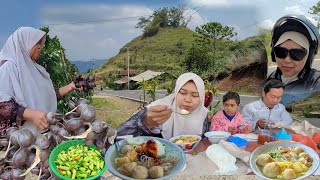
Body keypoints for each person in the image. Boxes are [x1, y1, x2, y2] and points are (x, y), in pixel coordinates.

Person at [0, 27, 78, 136]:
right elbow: (3, 105)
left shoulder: (35, 69)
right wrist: (31, 115)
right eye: (35, 43)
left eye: (40, 43)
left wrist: (70, 86)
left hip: (41, 134)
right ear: (23, 43)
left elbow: (47, 95)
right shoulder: (9, 68)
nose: (39, 46)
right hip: (19, 139)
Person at [117, 72, 208, 139]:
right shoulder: (160, 108)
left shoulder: (203, 114)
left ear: (202, 97)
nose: (188, 100)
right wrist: (145, 122)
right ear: (176, 92)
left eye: (195, 95)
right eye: (183, 93)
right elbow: (119, 136)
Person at [267, 14, 320, 106]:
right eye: (281, 52)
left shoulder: (316, 83)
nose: (287, 60)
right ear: (273, 53)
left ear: (308, 56)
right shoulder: (271, 78)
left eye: (297, 53)